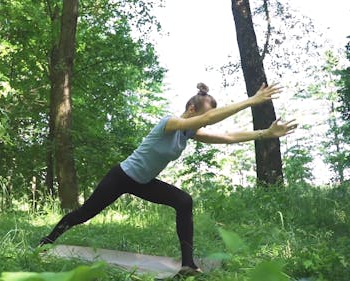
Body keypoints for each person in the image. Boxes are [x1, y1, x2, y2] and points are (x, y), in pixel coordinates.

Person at [38, 82, 297, 276]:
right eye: (202, 115)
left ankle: (187, 264)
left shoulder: (189, 133)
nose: (204, 123)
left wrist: (266, 133)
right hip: (122, 176)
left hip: (144, 182)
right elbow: (208, 119)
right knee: (85, 213)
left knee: (184, 201)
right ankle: (46, 243)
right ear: (191, 109)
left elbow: (228, 136)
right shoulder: (169, 123)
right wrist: (252, 101)